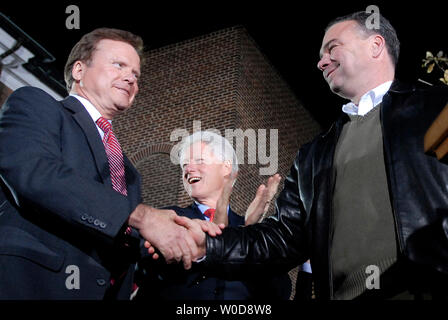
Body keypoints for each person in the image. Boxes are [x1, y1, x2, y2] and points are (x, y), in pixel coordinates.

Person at [172, 11, 448, 300]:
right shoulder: (314, 155)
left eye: (333, 48)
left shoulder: (436, 109)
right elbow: (281, 239)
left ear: (375, 45)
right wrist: (207, 245)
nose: (321, 61)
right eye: (320, 54)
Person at [0, 28, 219, 299]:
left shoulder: (129, 173)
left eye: (136, 75)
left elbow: (123, 241)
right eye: (119, 65)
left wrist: (181, 239)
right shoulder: (36, 104)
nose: (130, 78)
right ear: (79, 70)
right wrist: (142, 216)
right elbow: (34, 173)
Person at [135, 131, 291, 300]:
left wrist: (247, 234)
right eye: (185, 164)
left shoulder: (250, 230)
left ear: (226, 167)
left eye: (200, 161)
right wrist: (215, 239)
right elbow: (144, 268)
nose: (188, 169)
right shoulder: (171, 217)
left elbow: (281, 292)